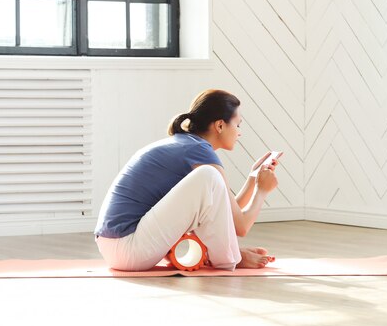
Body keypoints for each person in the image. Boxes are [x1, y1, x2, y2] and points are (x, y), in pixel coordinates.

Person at [94, 89, 280, 271]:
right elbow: (241, 226)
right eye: (238, 125)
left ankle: (228, 255)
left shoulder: (187, 145)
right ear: (220, 126)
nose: (239, 132)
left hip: (116, 246)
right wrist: (261, 190)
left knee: (210, 178)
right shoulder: (199, 152)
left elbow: (223, 213)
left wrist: (252, 180)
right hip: (128, 247)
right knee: (209, 175)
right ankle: (230, 258)